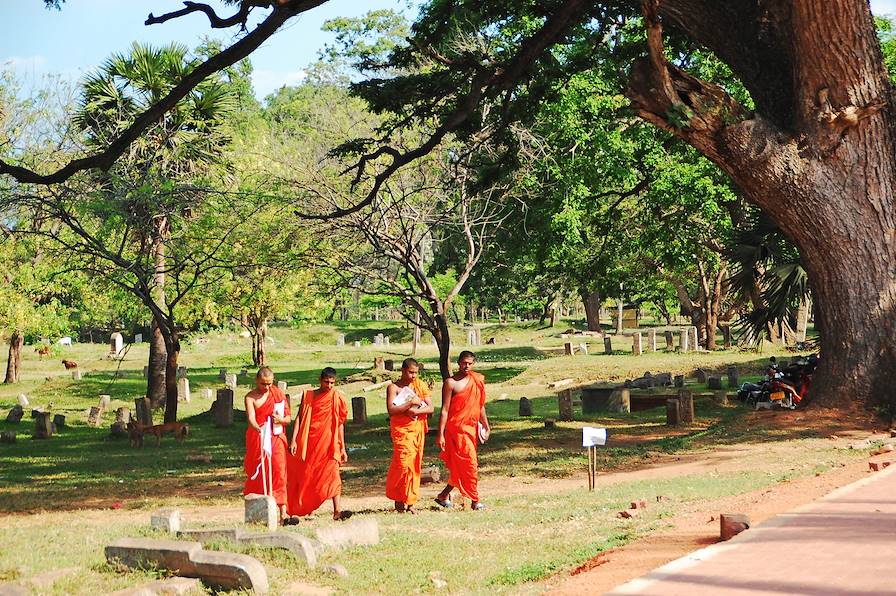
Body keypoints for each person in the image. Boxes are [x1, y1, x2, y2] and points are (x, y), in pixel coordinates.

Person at [288, 367, 350, 520]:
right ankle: (309, 507)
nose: (328, 386)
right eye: (326, 382)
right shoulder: (309, 396)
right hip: (309, 443)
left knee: (334, 475)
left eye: (332, 383)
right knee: (309, 475)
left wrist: (342, 446)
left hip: (330, 444)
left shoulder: (337, 397)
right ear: (320, 380)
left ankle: (337, 512)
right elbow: (299, 418)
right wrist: (294, 440)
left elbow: (340, 423)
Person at [435, 351, 490, 511]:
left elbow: (480, 405)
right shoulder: (450, 383)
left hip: (470, 429)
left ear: (473, 364)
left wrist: (486, 424)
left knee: (461, 466)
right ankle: (475, 500)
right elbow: (444, 410)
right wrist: (440, 434)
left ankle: (443, 495)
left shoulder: (477, 380)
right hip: (456, 430)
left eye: (470, 363)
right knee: (470, 464)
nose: (467, 366)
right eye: (464, 363)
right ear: (458, 363)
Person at [243, 367, 292, 524]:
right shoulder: (250, 397)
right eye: (264, 384)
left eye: (270, 384)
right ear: (257, 381)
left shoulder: (277, 393)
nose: (267, 388)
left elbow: (288, 418)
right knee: (260, 472)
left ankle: (283, 513)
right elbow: (251, 416)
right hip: (258, 437)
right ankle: (260, 511)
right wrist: (256, 426)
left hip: (276, 437)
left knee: (279, 471)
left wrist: (281, 420)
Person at [385, 358, 434, 513]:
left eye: (416, 373)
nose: (413, 376)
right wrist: (409, 404)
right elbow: (391, 410)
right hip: (401, 431)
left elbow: (431, 408)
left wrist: (416, 411)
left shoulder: (420, 386)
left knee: (414, 465)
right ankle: (398, 498)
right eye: (411, 372)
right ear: (403, 370)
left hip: (416, 429)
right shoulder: (393, 387)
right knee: (403, 462)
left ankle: (411, 502)